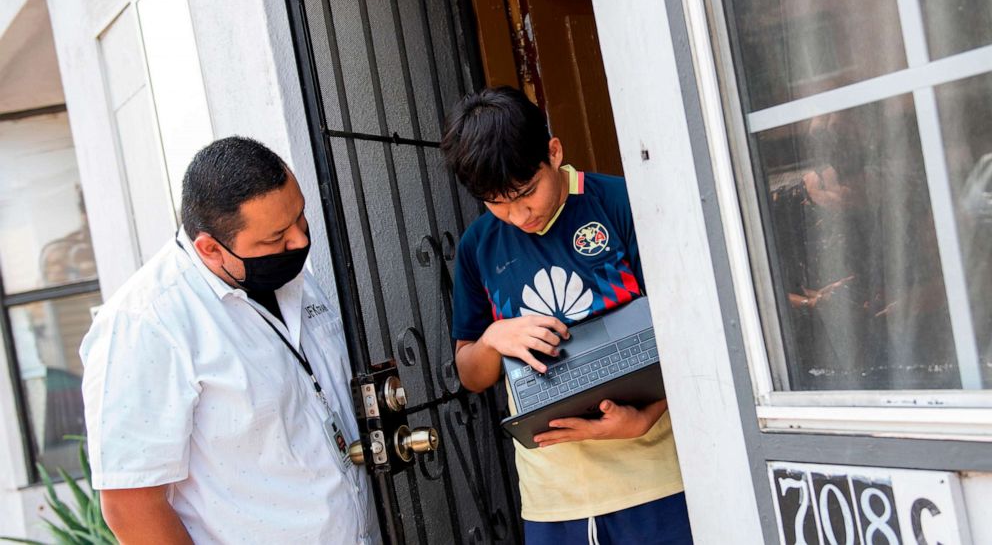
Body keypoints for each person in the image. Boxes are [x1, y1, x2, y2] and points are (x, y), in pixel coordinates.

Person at [80, 137, 379, 544]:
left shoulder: (286, 276)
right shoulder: (144, 325)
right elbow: (131, 504)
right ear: (210, 249)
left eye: (300, 218)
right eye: (276, 238)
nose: (300, 242)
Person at [441, 87, 692, 544]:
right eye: (498, 202)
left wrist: (647, 416)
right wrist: (495, 338)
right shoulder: (478, 247)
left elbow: (692, 332)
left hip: (656, 477)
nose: (518, 215)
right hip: (552, 499)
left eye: (527, 193)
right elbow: (470, 374)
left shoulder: (619, 203)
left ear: (554, 152)